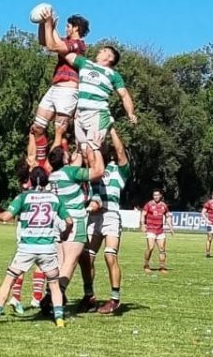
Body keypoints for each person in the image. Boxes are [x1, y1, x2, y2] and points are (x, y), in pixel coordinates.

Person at [0, 167, 72, 328]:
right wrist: (65, 234)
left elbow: (6, 217)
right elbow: (70, 221)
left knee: (9, 280)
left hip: (26, 248)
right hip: (47, 248)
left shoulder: (23, 197)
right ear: (47, 180)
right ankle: (59, 319)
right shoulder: (55, 199)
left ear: (30, 180)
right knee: (54, 284)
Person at [42, 20, 137, 148]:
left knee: (93, 149)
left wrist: (130, 113)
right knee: (84, 152)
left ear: (110, 58)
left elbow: (124, 95)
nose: (99, 51)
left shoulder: (113, 75)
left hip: (97, 114)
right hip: (81, 115)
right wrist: (52, 27)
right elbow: (62, 50)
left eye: (103, 50)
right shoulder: (85, 63)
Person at [47, 142, 105, 309]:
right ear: (65, 159)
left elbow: (76, 159)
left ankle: (89, 294)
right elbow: (98, 171)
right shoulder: (71, 172)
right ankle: (54, 296)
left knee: (79, 259)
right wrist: (95, 148)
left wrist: (79, 148)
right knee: (69, 261)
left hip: (58, 219)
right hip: (75, 219)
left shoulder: (53, 175)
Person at [28, 13, 90, 161]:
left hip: (68, 89)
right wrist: (43, 24)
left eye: (68, 26)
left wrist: (49, 23)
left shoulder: (78, 45)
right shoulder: (66, 41)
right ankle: (42, 163)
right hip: (55, 88)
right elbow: (44, 41)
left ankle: (54, 167)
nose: (66, 29)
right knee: (37, 127)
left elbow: (52, 46)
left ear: (76, 28)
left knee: (58, 132)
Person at [89, 127, 131, 314]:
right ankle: (89, 296)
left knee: (109, 255)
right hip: (94, 216)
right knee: (86, 257)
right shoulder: (94, 170)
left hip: (111, 216)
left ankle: (114, 299)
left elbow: (121, 153)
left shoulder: (118, 171)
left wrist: (112, 129)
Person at [141, 190, 172, 273]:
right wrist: (142, 224)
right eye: (154, 195)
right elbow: (143, 214)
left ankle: (162, 267)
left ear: (160, 196)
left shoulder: (164, 205)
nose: (156, 197)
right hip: (151, 229)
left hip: (160, 230)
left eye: (157, 195)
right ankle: (146, 265)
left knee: (162, 249)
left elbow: (168, 216)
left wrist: (171, 228)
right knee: (150, 248)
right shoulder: (149, 204)